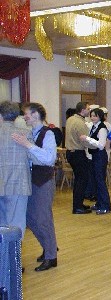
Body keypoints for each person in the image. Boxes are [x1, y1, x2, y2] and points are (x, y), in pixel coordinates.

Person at [11, 102, 58, 271]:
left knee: (41, 218)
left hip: (43, 180)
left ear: (36, 115)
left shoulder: (48, 134)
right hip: (31, 179)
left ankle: (51, 256)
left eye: (27, 114)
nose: (25, 117)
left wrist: (27, 145)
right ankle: (48, 248)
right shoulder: (30, 132)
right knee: (32, 218)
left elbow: (49, 159)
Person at [0, 101, 32, 240]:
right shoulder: (25, 134)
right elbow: (34, 158)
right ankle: (13, 259)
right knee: (17, 224)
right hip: (19, 183)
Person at [80, 108, 111, 215]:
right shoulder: (94, 127)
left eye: (95, 116)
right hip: (94, 155)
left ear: (100, 116)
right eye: (92, 115)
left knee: (100, 181)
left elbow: (101, 145)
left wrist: (87, 139)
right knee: (95, 180)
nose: (93, 117)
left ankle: (105, 205)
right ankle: (99, 203)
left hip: (100, 156)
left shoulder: (102, 128)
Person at [65, 101, 92, 214]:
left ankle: (78, 204)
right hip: (78, 153)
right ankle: (77, 207)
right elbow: (85, 141)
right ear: (82, 110)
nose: (89, 110)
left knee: (79, 180)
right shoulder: (81, 123)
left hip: (70, 152)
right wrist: (98, 146)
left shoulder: (70, 119)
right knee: (82, 180)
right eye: (88, 109)